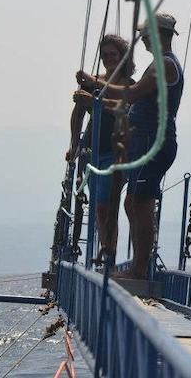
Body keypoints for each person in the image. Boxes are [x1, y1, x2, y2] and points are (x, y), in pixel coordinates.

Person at [76, 12, 183, 279]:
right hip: (143, 141)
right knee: (131, 203)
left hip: (153, 141)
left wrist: (94, 83)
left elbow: (132, 94)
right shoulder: (159, 64)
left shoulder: (165, 65)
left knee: (140, 203)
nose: (144, 41)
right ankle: (138, 264)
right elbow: (128, 104)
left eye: (147, 36)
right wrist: (94, 100)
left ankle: (137, 269)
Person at [67, 34, 135, 262]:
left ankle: (108, 250)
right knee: (98, 203)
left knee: (108, 202)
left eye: (112, 55)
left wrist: (93, 101)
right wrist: (74, 144)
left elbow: (126, 110)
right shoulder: (92, 82)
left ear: (122, 57)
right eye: (104, 55)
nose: (108, 59)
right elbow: (77, 114)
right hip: (92, 151)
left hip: (116, 153)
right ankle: (107, 248)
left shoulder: (130, 86)